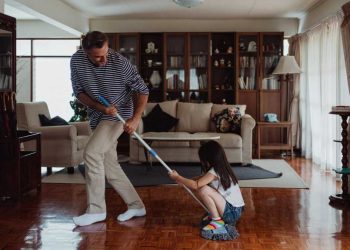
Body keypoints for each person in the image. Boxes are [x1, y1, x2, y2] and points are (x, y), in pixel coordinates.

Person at [70, 31, 149, 227]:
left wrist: (135, 118)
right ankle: (136, 205)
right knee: (109, 163)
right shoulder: (77, 61)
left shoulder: (120, 63)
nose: (104, 59)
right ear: (85, 51)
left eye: (105, 53)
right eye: (98, 56)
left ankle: (96, 210)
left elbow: (143, 90)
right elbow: (78, 91)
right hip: (99, 114)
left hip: (119, 115)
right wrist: (100, 107)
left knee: (92, 153)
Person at [168, 140, 244, 231]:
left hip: (232, 212)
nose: (203, 162)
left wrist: (178, 177)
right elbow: (200, 179)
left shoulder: (214, 171)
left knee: (203, 189)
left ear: (209, 158)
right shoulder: (221, 167)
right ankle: (218, 216)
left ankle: (217, 221)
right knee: (203, 187)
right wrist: (183, 181)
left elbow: (196, 185)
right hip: (235, 210)